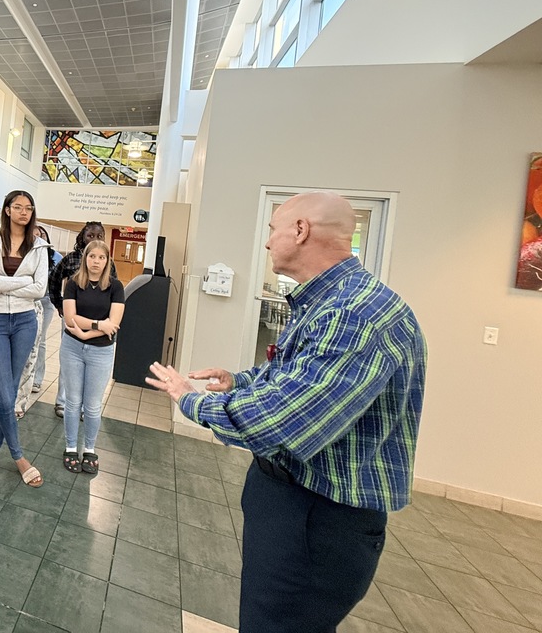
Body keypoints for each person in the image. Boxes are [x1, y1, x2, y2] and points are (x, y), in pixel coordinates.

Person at [146, 191, 427, 633]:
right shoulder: (328, 303)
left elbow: (286, 423)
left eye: (272, 229)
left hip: (317, 518)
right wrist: (240, 382)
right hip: (296, 504)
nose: (267, 241)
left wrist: (191, 400)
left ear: (301, 231)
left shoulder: (353, 314)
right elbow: (295, 377)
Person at [0, 191, 49, 489]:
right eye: (18, 207)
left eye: (29, 208)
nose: (24, 212)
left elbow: (40, 289)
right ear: (7, 209)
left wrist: (8, 285)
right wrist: (23, 282)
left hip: (26, 321)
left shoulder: (40, 246)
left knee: (11, 391)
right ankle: (18, 457)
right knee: (4, 395)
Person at [60, 240, 124, 475]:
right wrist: (99, 324)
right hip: (72, 348)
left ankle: (89, 449)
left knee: (93, 406)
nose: (96, 261)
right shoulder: (73, 284)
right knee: (73, 401)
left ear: (107, 261)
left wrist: (87, 333)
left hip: (101, 351)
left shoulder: (116, 287)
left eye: (101, 257)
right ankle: (70, 447)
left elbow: (114, 324)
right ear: (85, 258)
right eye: (92, 256)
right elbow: (69, 318)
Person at [47, 221, 117, 418]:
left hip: (99, 323)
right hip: (73, 319)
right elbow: (53, 279)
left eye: (99, 236)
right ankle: (63, 401)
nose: (94, 240)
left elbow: (115, 291)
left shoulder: (108, 264)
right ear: (82, 237)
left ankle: (87, 406)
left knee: (93, 366)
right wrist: (59, 304)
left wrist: (107, 322)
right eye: (90, 236)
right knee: (70, 362)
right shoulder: (71, 260)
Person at [31, 224, 62, 394]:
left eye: (42, 234)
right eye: (35, 235)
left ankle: (37, 378)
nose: (39, 237)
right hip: (28, 299)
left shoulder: (56, 257)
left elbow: (58, 283)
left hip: (46, 300)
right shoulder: (27, 253)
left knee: (40, 339)